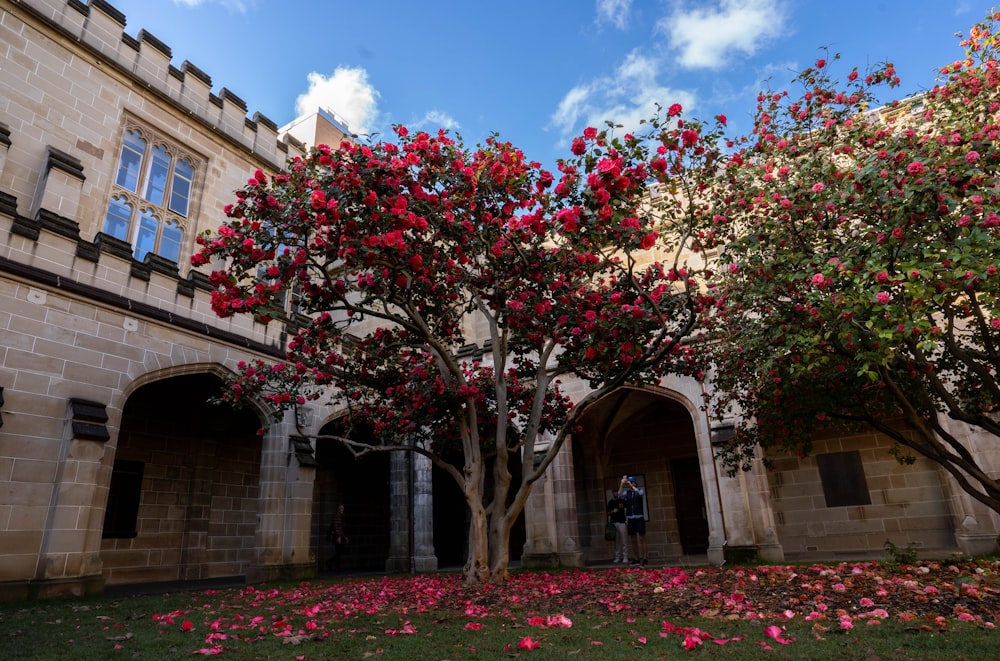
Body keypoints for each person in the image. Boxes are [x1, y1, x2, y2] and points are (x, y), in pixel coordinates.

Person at [619, 475, 648, 566]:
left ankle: (645, 558)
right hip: (631, 518)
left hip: (639, 517)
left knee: (642, 538)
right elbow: (619, 494)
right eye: (630, 482)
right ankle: (636, 558)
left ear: (635, 483)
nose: (630, 484)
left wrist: (632, 486)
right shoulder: (626, 493)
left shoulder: (639, 490)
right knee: (633, 539)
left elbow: (640, 494)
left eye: (632, 482)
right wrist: (622, 484)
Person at [606, 490, 628, 563]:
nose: (615, 493)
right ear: (612, 493)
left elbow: (626, 505)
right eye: (614, 492)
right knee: (616, 542)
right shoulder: (610, 502)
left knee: (624, 541)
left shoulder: (621, 500)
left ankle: (625, 557)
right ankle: (617, 557)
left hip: (622, 523)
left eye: (617, 492)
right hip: (614, 523)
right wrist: (613, 511)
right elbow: (608, 513)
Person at [325, 503, 348, 571]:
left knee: (340, 552)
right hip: (337, 536)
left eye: (343, 508)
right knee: (339, 551)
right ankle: (333, 564)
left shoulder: (341, 516)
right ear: (338, 509)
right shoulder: (336, 516)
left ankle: (333, 564)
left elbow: (341, 528)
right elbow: (336, 527)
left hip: (340, 536)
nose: (342, 510)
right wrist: (338, 537)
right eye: (340, 508)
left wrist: (345, 536)